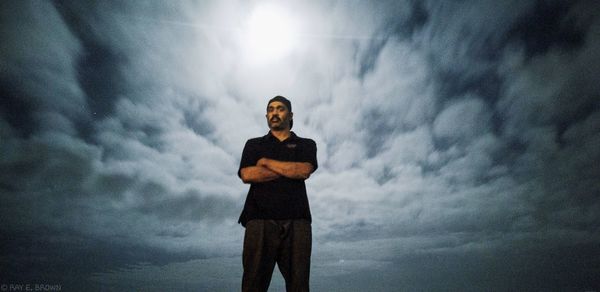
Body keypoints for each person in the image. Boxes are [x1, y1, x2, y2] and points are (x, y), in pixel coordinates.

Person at [237, 95, 318, 292]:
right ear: (266, 115)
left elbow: (303, 170)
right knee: (252, 285)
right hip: (259, 219)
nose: (274, 112)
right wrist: (288, 170)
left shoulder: (306, 144)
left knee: (299, 286)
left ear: (290, 115)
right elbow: (248, 174)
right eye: (271, 109)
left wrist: (266, 162)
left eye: (280, 109)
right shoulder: (253, 144)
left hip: (297, 221)